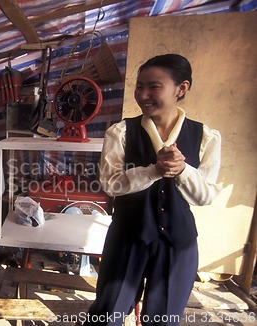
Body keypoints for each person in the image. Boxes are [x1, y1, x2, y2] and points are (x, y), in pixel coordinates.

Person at [83, 54, 222, 325]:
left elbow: (205, 196)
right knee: (106, 314)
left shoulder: (205, 136)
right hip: (128, 237)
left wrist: (183, 170)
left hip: (178, 244)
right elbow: (111, 184)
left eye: (154, 86)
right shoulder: (121, 132)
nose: (143, 94)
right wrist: (153, 171)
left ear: (181, 88)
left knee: (163, 318)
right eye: (139, 86)